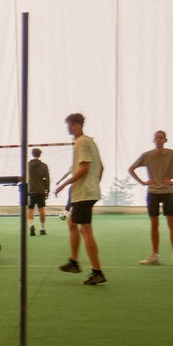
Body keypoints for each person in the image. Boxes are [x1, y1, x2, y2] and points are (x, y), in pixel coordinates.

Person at [54, 113, 105, 285]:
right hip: (86, 192)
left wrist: (63, 185)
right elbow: (101, 167)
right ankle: (74, 262)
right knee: (71, 223)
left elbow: (84, 168)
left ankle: (97, 272)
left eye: (71, 124)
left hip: (84, 193)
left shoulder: (82, 142)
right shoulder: (90, 142)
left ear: (78, 125)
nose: (69, 128)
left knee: (86, 231)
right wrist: (94, 184)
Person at [128, 130, 173, 265]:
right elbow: (131, 169)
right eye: (156, 138)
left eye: (161, 138)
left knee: (171, 224)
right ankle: (155, 255)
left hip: (168, 192)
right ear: (154, 140)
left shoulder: (171, 154)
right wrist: (143, 182)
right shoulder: (147, 155)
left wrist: (171, 182)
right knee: (154, 224)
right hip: (152, 192)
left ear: (165, 140)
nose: (158, 140)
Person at [27, 148, 50, 237]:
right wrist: (47, 190)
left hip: (30, 190)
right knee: (41, 210)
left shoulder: (27, 165)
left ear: (32, 154)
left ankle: (31, 226)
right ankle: (42, 229)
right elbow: (47, 179)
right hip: (40, 190)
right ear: (40, 154)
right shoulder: (44, 166)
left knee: (30, 210)